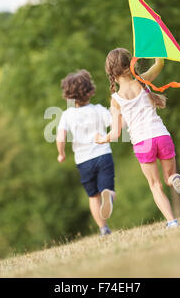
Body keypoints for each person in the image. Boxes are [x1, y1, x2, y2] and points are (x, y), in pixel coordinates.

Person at [96, 48, 180, 229]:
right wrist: (154, 47)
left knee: (155, 185)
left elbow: (116, 133)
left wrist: (101, 139)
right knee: (169, 177)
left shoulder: (116, 99)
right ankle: (175, 180)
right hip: (161, 135)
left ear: (110, 72)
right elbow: (159, 63)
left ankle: (172, 222)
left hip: (143, 143)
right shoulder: (142, 81)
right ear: (130, 64)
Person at [56, 69, 116, 236]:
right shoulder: (98, 109)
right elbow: (115, 122)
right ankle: (109, 197)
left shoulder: (67, 115)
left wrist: (61, 153)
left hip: (83, 161)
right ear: (90, 91)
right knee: (107, 189)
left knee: (93, 197)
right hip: (103, 154)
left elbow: (61, 136)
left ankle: (103, 228)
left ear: (68, 95)